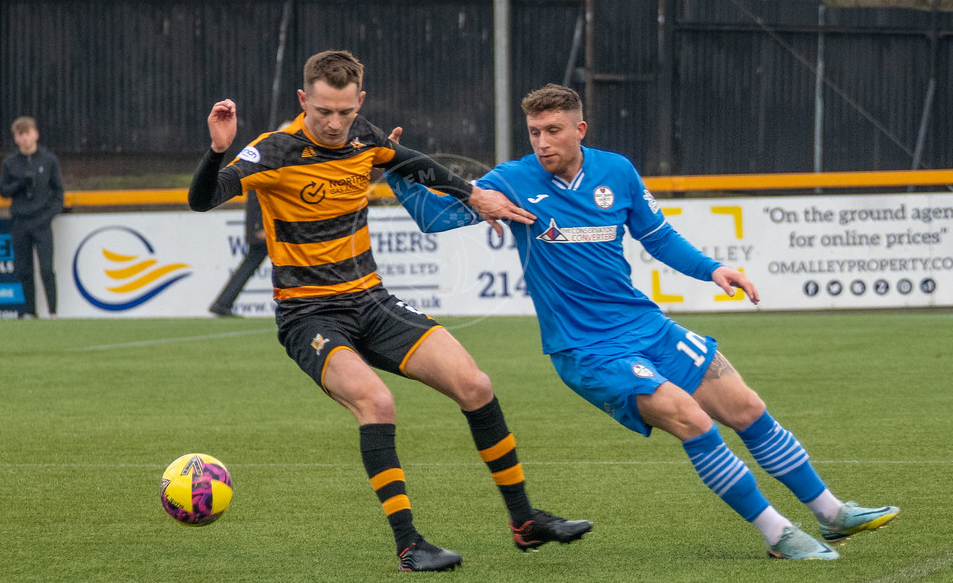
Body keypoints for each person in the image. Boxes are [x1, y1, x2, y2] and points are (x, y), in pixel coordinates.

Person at [384, 84, 899, 561]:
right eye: (535, 132)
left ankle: (832, 514)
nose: (542, 142)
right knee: (692, 419)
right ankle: (778, 534)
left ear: (579, 130)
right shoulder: (513, 181)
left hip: (647, 327)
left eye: (553, 131)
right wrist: (395, 171)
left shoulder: (617, 171)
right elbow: (438, 218)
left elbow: (658, 237)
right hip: (587, 351)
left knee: (746, 406)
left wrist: (714, 268)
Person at [188, 51, 592, 572]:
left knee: (476, 385)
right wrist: (218, 150)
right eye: (323, 111)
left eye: (345, 112)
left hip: (373, 301)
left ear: (360, 102)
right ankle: (409, 544)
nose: (334, 124)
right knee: (376, 403)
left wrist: (475, 196)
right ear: (303, 100)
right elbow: (203, 200)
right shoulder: (274, 151)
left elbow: (416, 163)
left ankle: (524, 521)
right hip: (309, 317)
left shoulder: (365, 138)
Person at [0, 116, 64, 319]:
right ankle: (30, 312)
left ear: (35, 134)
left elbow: (58, 192)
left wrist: (49, 215)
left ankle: (53, 312)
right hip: (20, 222)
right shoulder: (10, 163)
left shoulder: (49, 160)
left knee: (46, 269)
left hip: (42, 221)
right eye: (20, 135)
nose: (25, 138)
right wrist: (20, 184)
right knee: (24, 270)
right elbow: (2, 190)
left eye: (27, 133)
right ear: (16, 138)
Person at [208, 191, 268, 316]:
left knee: (250, 265)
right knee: (250, 265)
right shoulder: (263, 174)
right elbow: (258, 203)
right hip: (266, 231)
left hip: (267, 229)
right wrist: (260, 227)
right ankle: (222, 303)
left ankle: (223, 303)